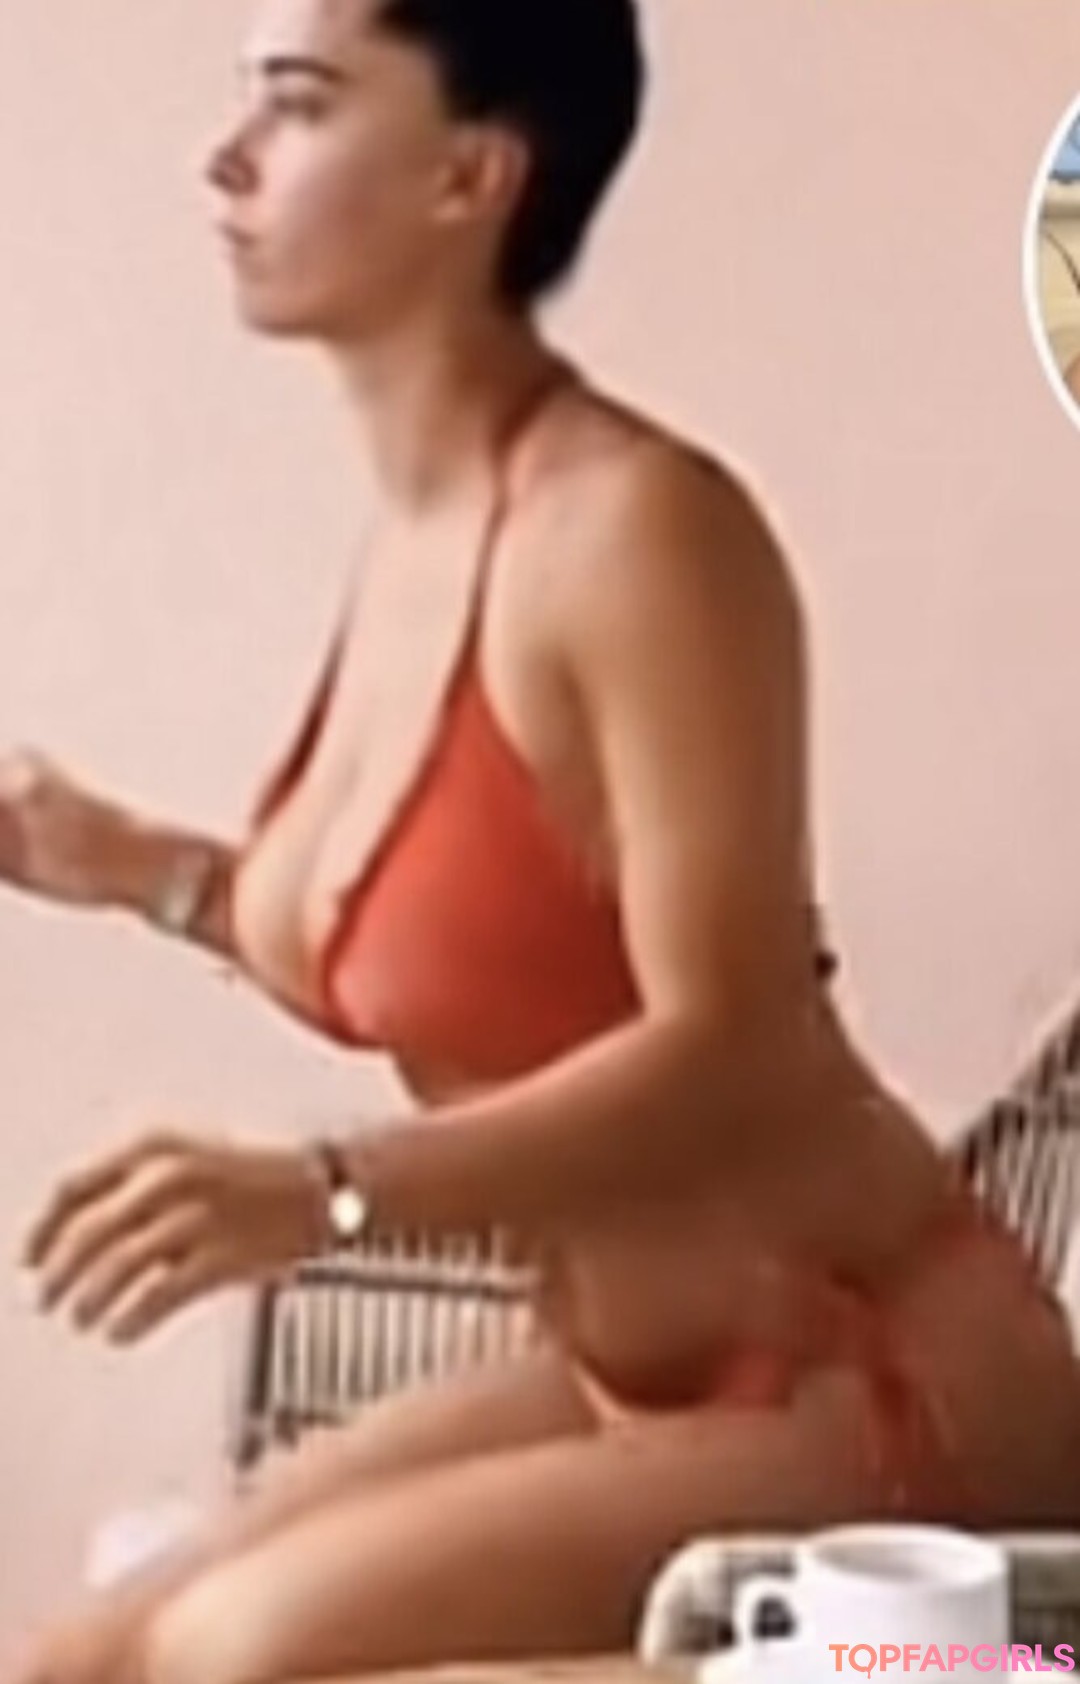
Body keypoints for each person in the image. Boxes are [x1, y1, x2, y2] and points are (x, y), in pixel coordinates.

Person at [5, 1, 1080, 1680]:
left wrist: (323, 1195)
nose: (226, 159)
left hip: (871, 1377)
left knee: (229, 1657)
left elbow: (739, 1043)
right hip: (626, 1370)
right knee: (78, 1661)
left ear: (471, 176)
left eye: (301, 104)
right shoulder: (431, 531)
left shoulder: (640, 536)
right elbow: (439, 953)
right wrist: (124, 861)